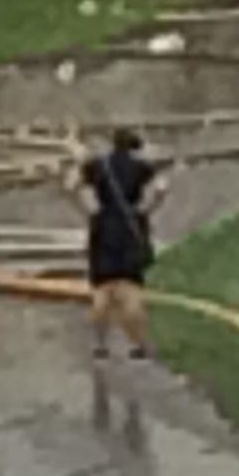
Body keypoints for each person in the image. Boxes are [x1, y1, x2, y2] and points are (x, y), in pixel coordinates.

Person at [72, 125, 173, 359]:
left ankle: (99, 345)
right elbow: (161, 188)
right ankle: (136, 345)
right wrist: (148, 209)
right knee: (131, 288)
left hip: (104, 226)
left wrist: (88, 210)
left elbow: (70, 185)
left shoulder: (98, 166)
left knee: (102, 289)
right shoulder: (141, 168)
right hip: (131, 226)